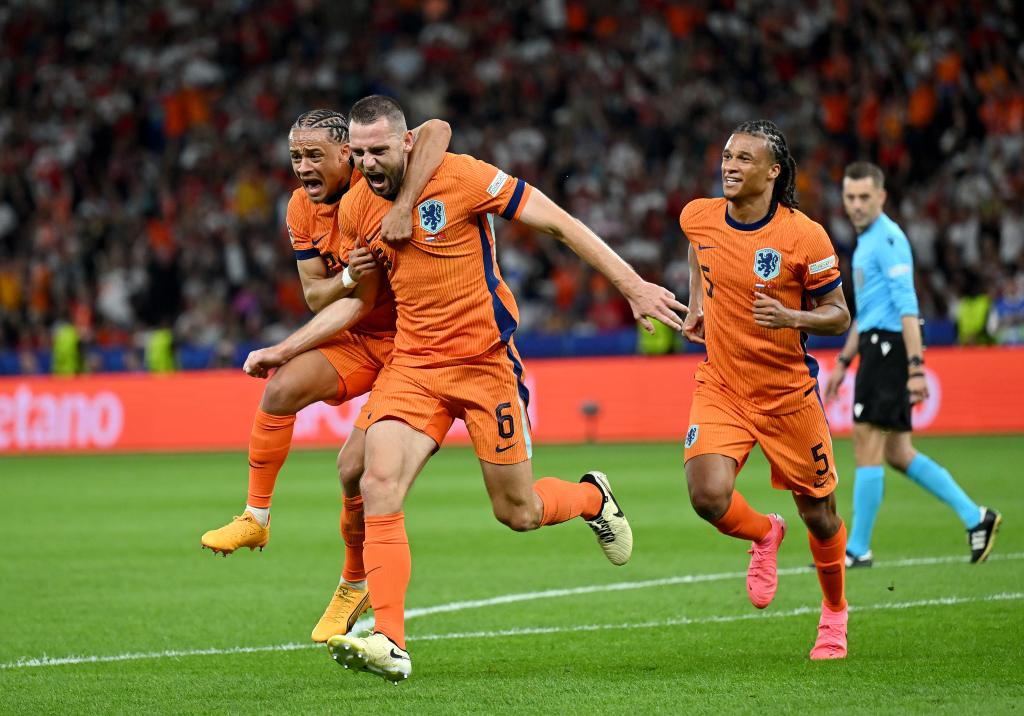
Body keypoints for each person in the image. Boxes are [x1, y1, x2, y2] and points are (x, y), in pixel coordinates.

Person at [244, 95, 687, 682]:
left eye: (381, 149)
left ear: (405, 143)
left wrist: (630, 285)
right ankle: (391, 640)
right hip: (415, 368)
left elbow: (558, 221)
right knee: (378, 482)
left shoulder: (463, 177)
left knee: (519, 512)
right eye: (362, 152)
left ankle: (591, 498)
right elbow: (357, 301)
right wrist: (287, 348)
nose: (370, 161)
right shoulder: (354, 209)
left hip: (486, 365)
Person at [200, 109, 452, 644]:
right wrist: (347, 274)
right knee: (281, 388)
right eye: (296, 156)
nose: (303, 167)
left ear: (348, 155)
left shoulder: (378, 182)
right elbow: (317, 294)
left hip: (410, 343)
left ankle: (352, 583)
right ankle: (256, 516)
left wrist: (403, 207)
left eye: (315, 155)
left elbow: (437, 130)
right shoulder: (299, 208)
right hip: (358, 334)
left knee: (351, 471)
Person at [680, 120, 852, 660]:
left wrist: (791, 315)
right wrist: (697, 305)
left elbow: (840, 315)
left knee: (820, 514)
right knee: (707, 495)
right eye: (727, 156)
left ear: (774, 172)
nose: (730, 166)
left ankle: (834, 615)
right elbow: (696, 249)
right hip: (724, 384)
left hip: (786, 395)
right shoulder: (699, 215)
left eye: (744, 159)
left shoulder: (805, 236)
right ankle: (763, 534)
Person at [824, 161, 1001, 566]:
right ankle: (976, 517)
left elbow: (907, 308)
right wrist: (843, 362)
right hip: (875, 344)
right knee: (898, 452)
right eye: (850, 197)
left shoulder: (887, 240)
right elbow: (867, 312)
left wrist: (917, 367)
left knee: (866, 441)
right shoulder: (868, 241)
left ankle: (857, 549)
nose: (856, 205)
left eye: (864, 197)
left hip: (889, 349)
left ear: (882, 197)